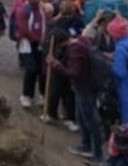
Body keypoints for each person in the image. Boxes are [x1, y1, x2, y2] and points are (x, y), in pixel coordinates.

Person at [48, 29, 105, 165]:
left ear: (59, 44)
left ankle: (98, 154)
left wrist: (57, 65)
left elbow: (74, 73)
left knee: (91, 121)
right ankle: (86, 146)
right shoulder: (80, 41)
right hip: (83, 87)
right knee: (81, 118)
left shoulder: (75, 51)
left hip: (86, 89)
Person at [16, 0, 49, 108]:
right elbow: (23, 29)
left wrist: (44, 39)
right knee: (31, 70)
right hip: (27, 44)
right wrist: (36, 39)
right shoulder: (22, 10)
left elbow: (47, 23)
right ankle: (26, 95)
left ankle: (42, 95)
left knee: (42, 71)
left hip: (40, 44)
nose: (36, 1)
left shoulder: (42, 10)